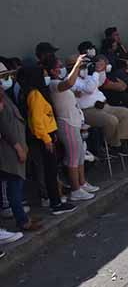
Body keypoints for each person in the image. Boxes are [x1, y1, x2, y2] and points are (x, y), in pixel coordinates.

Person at [16, 66, 76, 215]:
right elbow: (36, 121)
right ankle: (55, 203)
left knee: (49, 170)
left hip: (44, 135)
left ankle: (54, 199)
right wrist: (47, 139)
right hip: (44, 137)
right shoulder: (34, 94)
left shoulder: (29, 92)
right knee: (50, 171)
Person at [46, 54, 98, 201]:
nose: (62, 68)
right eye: (59, 66)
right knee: (73, 158)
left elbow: (69, 89)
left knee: (80, 155)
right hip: (66, 124)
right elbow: (68, 84)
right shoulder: (53, 84)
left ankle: (82, 183)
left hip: (75, 122)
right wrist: (77, 64)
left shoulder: (60, 83)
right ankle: (75, 189)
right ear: (53, 70)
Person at [0, 63, 40, 232]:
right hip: (10, 150)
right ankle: (22, 221)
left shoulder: (4, 96)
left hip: (15, 147)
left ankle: (23, 218)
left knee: (16, 186)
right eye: (3, 77)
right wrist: (18, 147)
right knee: (15, 187)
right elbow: (5, 127)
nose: (6, 80)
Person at [77, 56, 128, 155]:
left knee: (126, 113)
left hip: (104, 106)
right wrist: (96, 72)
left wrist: (101, 69)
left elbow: (101, 81)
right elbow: (89, 88)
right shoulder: (73, 81)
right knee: (111, 120)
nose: (85, 69)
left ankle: (122, 141)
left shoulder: (89, 77)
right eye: (82, 67)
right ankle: (113, 145)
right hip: (89, 111)